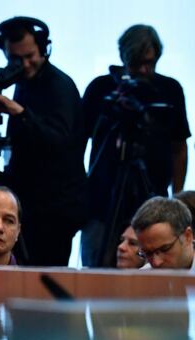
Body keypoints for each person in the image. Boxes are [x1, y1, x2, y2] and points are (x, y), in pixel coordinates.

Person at [81, 25, 191, 267]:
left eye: (150, 64)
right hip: (102, 200)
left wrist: (176, 198)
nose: (144, 70)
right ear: (124, 58)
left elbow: (179, 147)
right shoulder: (101, 89)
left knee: (156, 269)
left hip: (151, 197)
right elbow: (77, 142)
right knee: (96, 272)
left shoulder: (169, 90)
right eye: (137, 63)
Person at [0, 17, 88, 266]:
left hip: (54, 209)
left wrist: (19, 113)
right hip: (30, 203)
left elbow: (59, 141)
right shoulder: (24, 82)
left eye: (30, 56)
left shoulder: (59, 86)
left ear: (44, 49)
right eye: (15, 59)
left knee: (45, 281)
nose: (24, 64)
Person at [131, 197, 194, 270]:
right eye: (148, 253)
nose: (156, 263)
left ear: (187, 236)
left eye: (164, 249)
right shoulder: (143, 277)